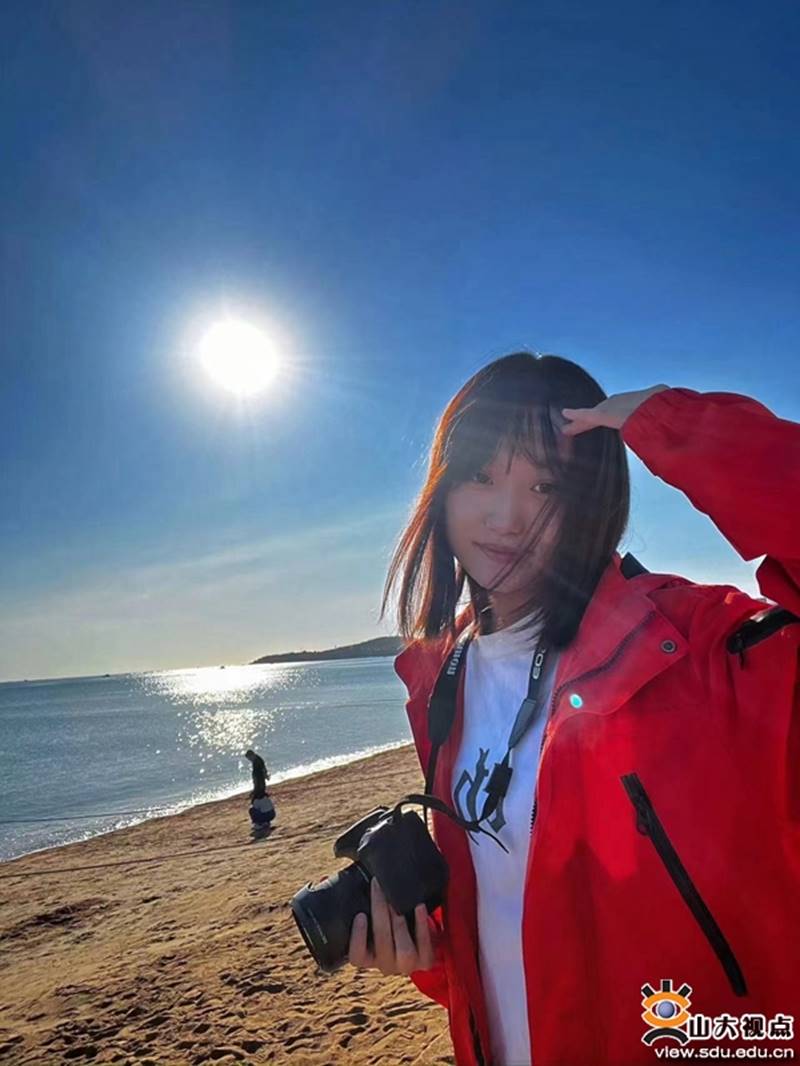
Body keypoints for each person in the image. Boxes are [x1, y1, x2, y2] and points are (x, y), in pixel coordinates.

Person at [347, 352, 800, 1065]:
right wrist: (430, 957)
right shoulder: (440, 681)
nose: (507, 517)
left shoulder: (699, 647)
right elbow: (514, 924)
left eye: (544, 486)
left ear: (591, 499)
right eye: (480, 476)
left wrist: (686, 430)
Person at [245, 749, 275, 828]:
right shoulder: (258, 760)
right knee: (261, 800)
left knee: (253, 808)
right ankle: (265, 821)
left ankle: (259, 823)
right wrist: (266, 775)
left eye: (249, 758)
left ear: (251, 755)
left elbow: (259, 775)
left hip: (259, 783)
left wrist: (254, 790)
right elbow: (263, 769)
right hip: (261, 784)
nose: (249, 760)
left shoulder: (257, 761)